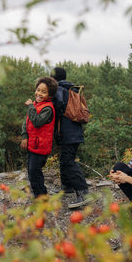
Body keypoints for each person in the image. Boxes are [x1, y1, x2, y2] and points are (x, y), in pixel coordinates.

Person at [51, 67, 92, 208]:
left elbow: (57, 108)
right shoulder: (72, 89)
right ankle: (67, 187)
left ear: (53, 78)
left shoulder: (60, 90)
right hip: (74, 132)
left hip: (68, 133)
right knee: (65, 159)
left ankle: (83, 192)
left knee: (68, 161)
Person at [20, 76, 58, 198]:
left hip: (41, 147)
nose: (39, 93)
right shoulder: (36, 105)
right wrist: (24, 136)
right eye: (38, 90)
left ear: (50, 95)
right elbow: (27, 122)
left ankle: (42, 196)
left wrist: (30, 106)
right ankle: (39, 195)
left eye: (44, 92)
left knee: (35, 171)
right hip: (32, 145)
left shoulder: (47, 108)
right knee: (32, 172)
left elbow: (37, 122)